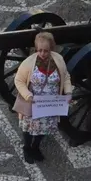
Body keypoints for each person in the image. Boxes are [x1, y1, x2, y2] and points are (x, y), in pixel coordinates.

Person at [13, 31, 72, 163]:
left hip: (50, 104)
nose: (42, 53)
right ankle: (27, 148)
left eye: (46, 50)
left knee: (45, 127)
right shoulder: (29, 63)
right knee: (29, 128)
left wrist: (68, 92)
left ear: (51, 48)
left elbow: (66, 76)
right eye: (39, 50)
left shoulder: (58, 60)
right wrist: (28, 95)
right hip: (32, 102)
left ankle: (35, 146)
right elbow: (18, 80)